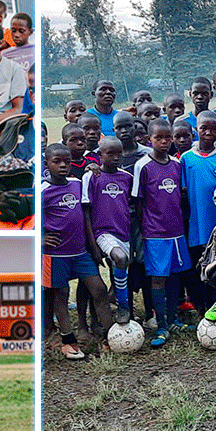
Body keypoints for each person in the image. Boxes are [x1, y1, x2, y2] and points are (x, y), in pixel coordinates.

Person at [43, 143, 115, 357]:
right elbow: (30, 220)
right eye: (57, 161)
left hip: (81, 252)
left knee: (99, 290)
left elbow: (85, 215)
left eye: (67, 161)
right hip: (55, 255)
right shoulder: (42, 191)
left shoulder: (76, 183)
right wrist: (40, 238)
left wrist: (93, 247)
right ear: (47, 164)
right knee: (60, 295)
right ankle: (68, 340)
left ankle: (110, 336)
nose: (63, 165)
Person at [132, 119, 192, 347]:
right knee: (158, 278)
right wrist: (145, 228)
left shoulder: (177, 165)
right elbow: (138, 201)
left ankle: (174, 318)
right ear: (150, 140)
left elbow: (180, 196)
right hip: (155, 234)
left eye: (169, 137)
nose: (165, 141)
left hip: (176, 232)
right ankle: (161, 325)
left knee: (175, 275)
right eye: (159, 137)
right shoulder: (143, 166)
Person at [180, 111, 216, 320]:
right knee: (199, 265)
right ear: (196, 130)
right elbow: (183, 192)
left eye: (213, 129)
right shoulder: (186, 158)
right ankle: (200, 307)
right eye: (203, 128)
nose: (208, 132)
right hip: (196, 224)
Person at [82, 136, 134, 324]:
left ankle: (117, 297)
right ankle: (123, 306)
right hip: (103, 232)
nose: (115, 157)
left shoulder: (127, 177)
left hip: (124, 233)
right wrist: (93, 244)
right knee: (120, 258)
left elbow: (132, 206)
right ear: (99, 154)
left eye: (119, 153)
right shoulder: (91, 177)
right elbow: (86, 211)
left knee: (121, 268)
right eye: (109, 153)